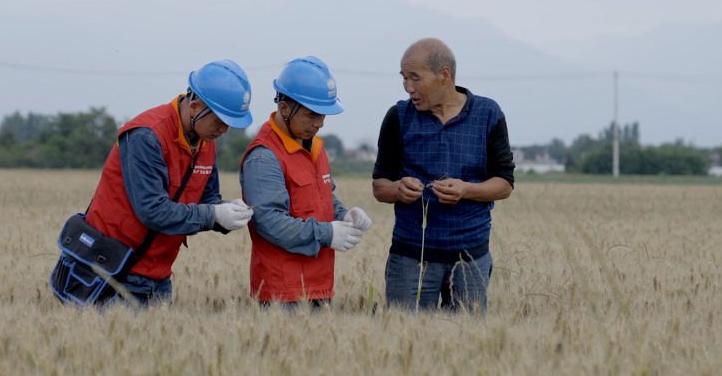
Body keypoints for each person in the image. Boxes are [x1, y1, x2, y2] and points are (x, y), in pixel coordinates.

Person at [51, 60, 256, 307]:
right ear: (195, 106)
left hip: (158, 276)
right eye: (221, 120)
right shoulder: (146, 136)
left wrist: (229, 211)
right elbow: (152, 210)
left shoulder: (205, 141)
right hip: (110, 273)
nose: (225, 129)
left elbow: (207, 201)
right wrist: (213, 215)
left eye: (231, 123)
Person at [371, 38, 515, 313]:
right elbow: (380, 186)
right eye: (404, 78)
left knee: (468, 345)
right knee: (405, 340)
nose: (408, 87)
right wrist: (398, 189)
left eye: (415, 78)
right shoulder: (398, 116)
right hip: (410, 256)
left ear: (444, 75)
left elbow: (504, 183)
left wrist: (466, 190)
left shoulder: (488, 113)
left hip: (471, 257)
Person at [241, 56, 372, 308]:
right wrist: (327, 233)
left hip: (320, 285)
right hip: (283, 293)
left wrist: (344, 216)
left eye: (324, 115)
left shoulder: (315, 147)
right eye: (312, 115)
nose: (320, 123)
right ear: (284, 108)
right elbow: (269, 221)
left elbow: (323, 196)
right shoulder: (264, 156)